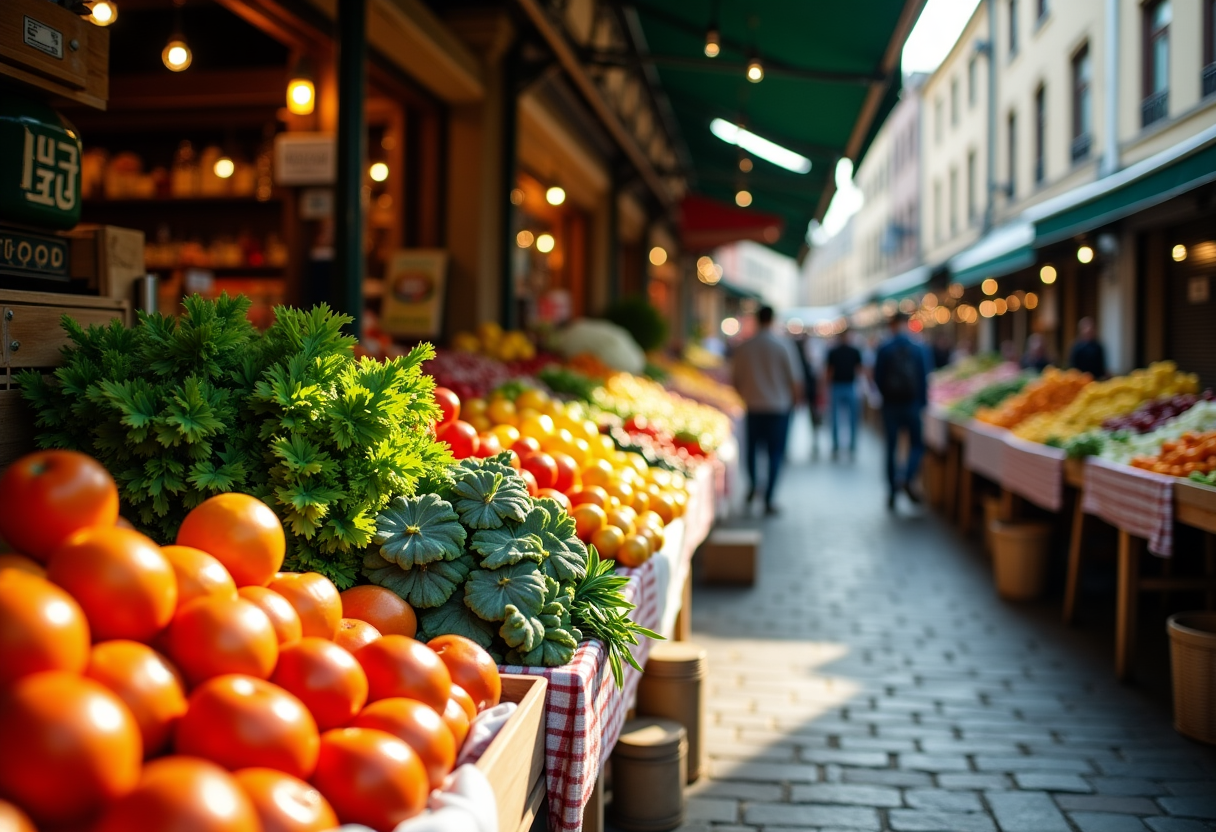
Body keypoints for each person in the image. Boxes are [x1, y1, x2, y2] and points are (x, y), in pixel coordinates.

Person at [730, 306, 801, 515]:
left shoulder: (745, 346)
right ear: (773, 319)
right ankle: (769, 496)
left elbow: (735, 379)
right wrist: (795, 402)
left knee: (751, 451)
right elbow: (795, 380)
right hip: (779, 408)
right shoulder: (784, 345)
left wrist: (746, 395)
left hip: (753, 406)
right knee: (775, 454)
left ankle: (753, 485)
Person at [873, 313, 930, 511]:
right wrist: (922, 404)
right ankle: (906, 476)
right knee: (917, 445)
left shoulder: (884, 348)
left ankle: (891, 490)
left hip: (890, 406)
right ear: (906, 324)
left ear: (891, 325)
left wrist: (885, 398)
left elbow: (877, 378)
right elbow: (924, 378)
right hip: (912, 405)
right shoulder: (918, 348)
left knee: (891, 448)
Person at [825, 329, 864, 459]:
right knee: (837, 418)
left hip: (847, 386)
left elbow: (859, 370)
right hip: (840, 386)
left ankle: (850, 444)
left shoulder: (853, 351)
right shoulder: (835, 352)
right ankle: (838, 444)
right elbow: (829, 371)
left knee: (849, 418)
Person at [794, 333, 822, 458]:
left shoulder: (812, 355)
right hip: (803, 390)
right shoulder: (798, 356)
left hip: (810, 390)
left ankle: (815, 442)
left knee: (814, 417)